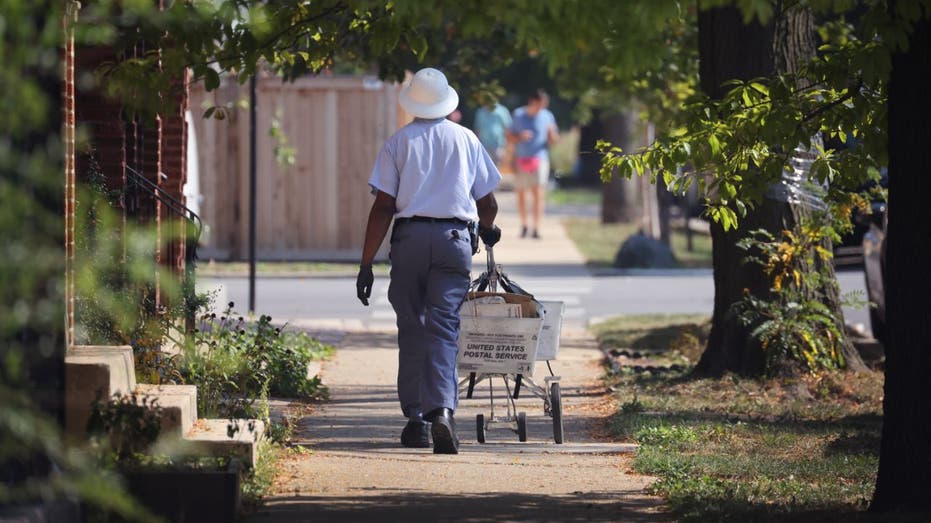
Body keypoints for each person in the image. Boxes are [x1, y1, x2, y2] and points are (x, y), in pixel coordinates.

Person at [356, 67, 502, 455]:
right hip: (454, 241)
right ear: (447, 100)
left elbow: (383, 206)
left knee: (412, 327)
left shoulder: (398, 143)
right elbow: (486, 201)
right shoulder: (467, 139)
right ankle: (443, 412)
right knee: (444, 328)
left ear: (412, 103)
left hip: (410, 241)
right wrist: (487, 229)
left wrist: (366, 262)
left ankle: (417, 420)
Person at [508, 89, 558, 239]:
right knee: (521, 194)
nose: (541, 108)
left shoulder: (547, 116)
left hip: (540, 159)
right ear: (532, 102)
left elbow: (554, 140)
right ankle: (524, 225)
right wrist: (519, 137)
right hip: (520, 159)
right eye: (539, 105)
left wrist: (551, 135)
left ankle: (536, 228)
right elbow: (510, 138)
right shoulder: (518, 115)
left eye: (544, 105)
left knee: (538, 193)